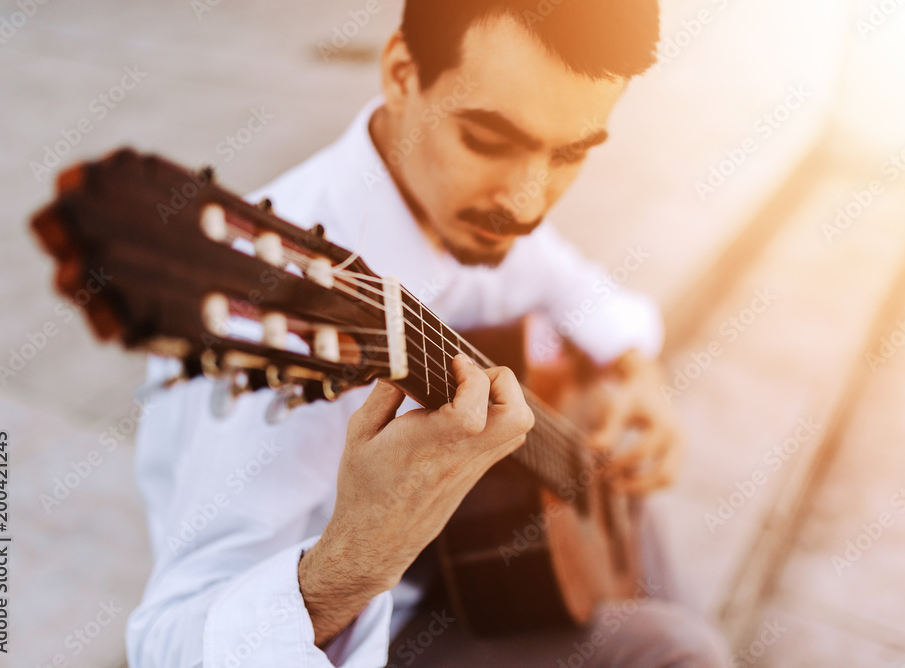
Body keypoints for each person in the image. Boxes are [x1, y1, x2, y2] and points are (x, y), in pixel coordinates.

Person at [126, 0, 727, 666]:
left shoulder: (477, 212)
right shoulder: (273, 320)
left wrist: (636, 370)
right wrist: (354, 562)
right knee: (677, 651)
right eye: (488, 141)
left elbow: (575, 287)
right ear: (401, 73)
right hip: (375, 636)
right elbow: (167, 642)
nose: (527, 202)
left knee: (615, 478)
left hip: (481, 562)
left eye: (568, 153)